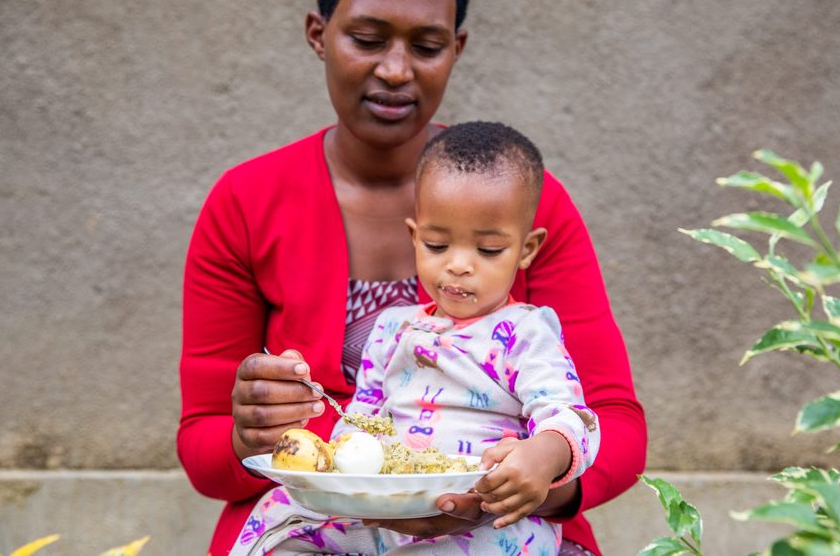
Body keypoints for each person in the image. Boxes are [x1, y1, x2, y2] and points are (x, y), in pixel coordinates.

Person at [178, 0, 646, 556]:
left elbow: (615, 419)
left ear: (456, 48)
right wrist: (247, 431)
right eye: (367, 39)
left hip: (498, 524)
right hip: (325, 526)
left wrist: (535, 481)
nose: (397, 70)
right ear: (319, 34)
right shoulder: (246, 202)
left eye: (426, 47)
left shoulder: (523, 201)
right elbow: (203, 450)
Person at [233, 122, 603, 555]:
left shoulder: (525, 332)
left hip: (482, 513)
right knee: (281, 520)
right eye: (436, 245)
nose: (459, 266)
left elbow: (571, 415)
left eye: (487, 250)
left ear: (527, 249)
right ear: (414, 237)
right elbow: (364, 412)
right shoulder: (393, 327)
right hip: (388, 501)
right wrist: (339, 463)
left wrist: (543, 457)